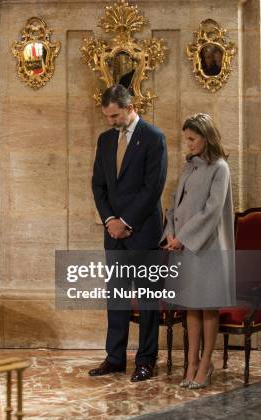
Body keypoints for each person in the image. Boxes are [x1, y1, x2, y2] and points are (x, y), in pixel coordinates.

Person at [90, 85, 167, 382]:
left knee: (147, 298)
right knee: (117, 296)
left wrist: (126, 221)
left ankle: (146, 360)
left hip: (143, 231)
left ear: (130, 106)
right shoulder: (105, 140)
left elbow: (153, 188)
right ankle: (115, 357)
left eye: (115, 115)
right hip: (113, 232)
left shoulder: (153, 137)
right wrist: (110, 219)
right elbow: (98, 185)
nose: (111, 121)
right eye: (107, 116)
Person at [161, 113, 235, 389]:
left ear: (206, 137)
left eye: (192, 139)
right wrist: (169, 232)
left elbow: (211, 212)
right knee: (191, 307)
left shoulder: (220, 168)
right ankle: (190, 362)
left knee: (208, 308)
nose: (188, 144)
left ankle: (206, 363)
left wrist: (183, 238)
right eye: (187, 139)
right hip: (184, 248)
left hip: (208, 248)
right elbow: (174, 203)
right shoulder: (189, 166)